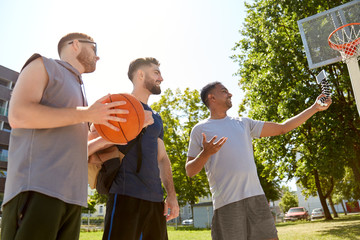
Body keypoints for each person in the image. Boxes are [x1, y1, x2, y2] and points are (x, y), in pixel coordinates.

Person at [1, 32, 128, 240]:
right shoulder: (43, 65)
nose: (98, 56)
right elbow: (18, 115)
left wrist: (111, 138)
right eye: (94, 48)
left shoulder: (80, 90)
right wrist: (87, 114)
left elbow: (81, 150)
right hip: (37, 189)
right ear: (75, 44)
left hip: (73, 199)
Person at [186, 81, 332, 240]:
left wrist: (314, 108)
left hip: (256, 197)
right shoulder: (199, 130)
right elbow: (190, 171)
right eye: (224, 91)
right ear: (211, 97)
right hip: (227, 203)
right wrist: (205, 154)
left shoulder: (243, 123)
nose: (230, 94)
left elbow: (282, 127)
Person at [102, 57, 179, 240]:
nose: (161, 78)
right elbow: (95, 138)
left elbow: (162, 158)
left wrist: (171, 196)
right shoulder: (118, 105)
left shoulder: (156, 117)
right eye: (156, 72)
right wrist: (135, 125)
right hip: (124, 194)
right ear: (141, 74)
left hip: (155, 200)